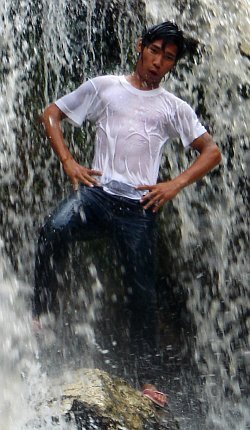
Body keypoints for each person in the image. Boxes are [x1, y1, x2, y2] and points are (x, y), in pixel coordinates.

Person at [33, 21, 221, 405]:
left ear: (172, 65)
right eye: (154, 51)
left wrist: (174, 184)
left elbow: (211, 152)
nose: (157, 63)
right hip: (98, 196)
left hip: (139, 208)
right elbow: (50, 114)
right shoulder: (105, 87)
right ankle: (43, 314)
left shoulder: (174, 107)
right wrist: (69, 162)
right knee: (53, 230)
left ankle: (147, 381)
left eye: (167, 58)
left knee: (142, 295)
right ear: (140, 47)